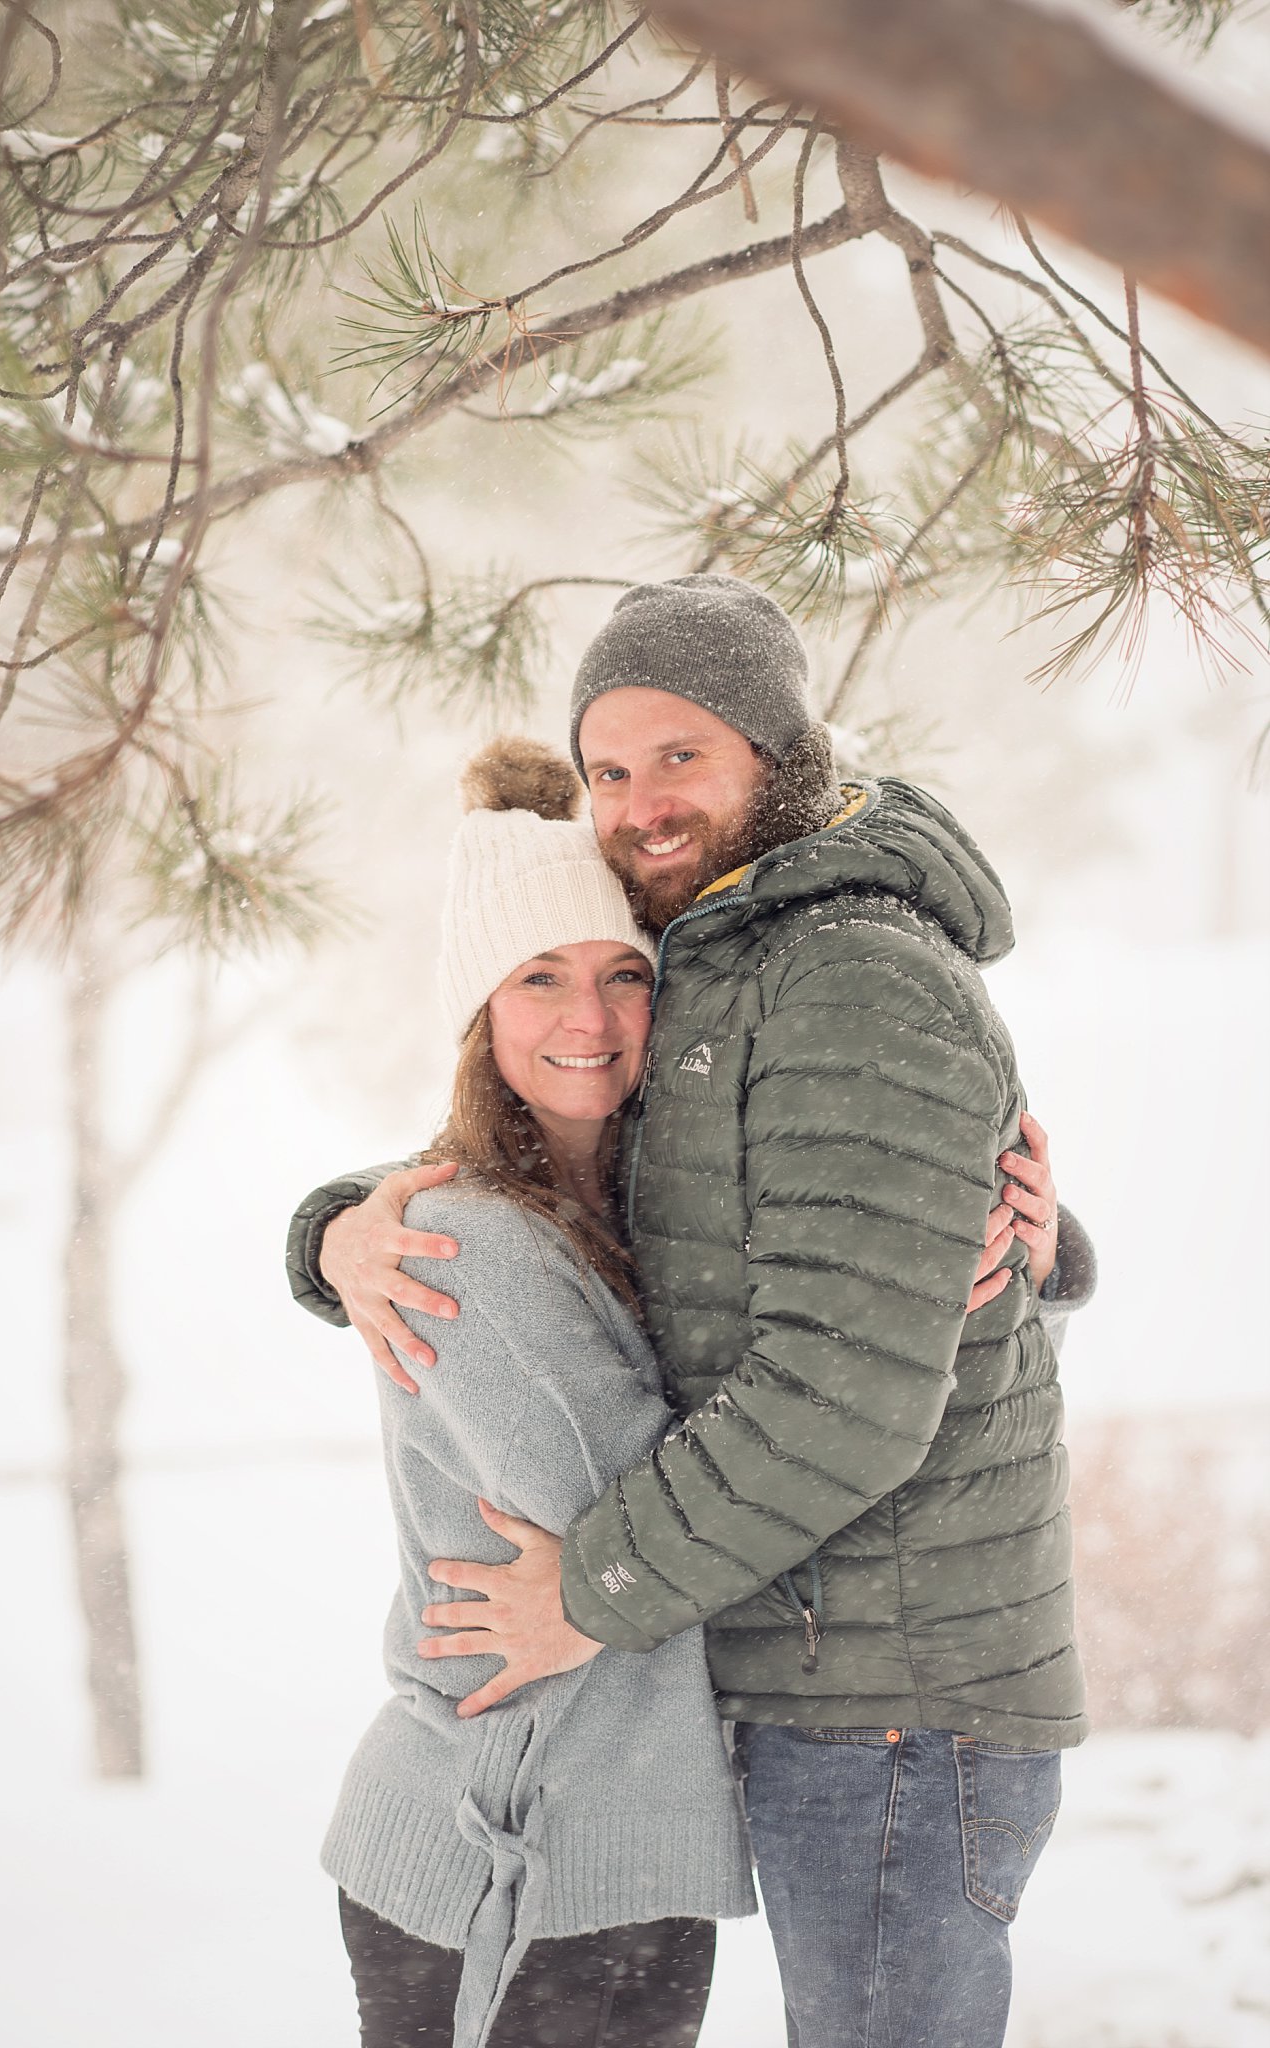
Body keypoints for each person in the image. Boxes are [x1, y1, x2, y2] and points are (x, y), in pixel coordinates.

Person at [292, 575, 1098, 2048]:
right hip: (824, 1677)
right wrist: (340, 1225)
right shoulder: (729, 960)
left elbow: (839, 1393)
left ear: (776, 756)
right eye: (610, 767)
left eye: (683, 756)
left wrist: (582, 1591)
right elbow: (650, 1187)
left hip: (893, 1698)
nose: (641, 802)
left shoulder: (841, 972)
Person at [320, 736, 756, 2048]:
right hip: (519, 1854)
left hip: (593, 1848)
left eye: (625, 974)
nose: (590, 1019)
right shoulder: (464, 1240)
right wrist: (861, 1387)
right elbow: (654, 1514)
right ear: (481, 1010)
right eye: (542, 978)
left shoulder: (632, 1212)